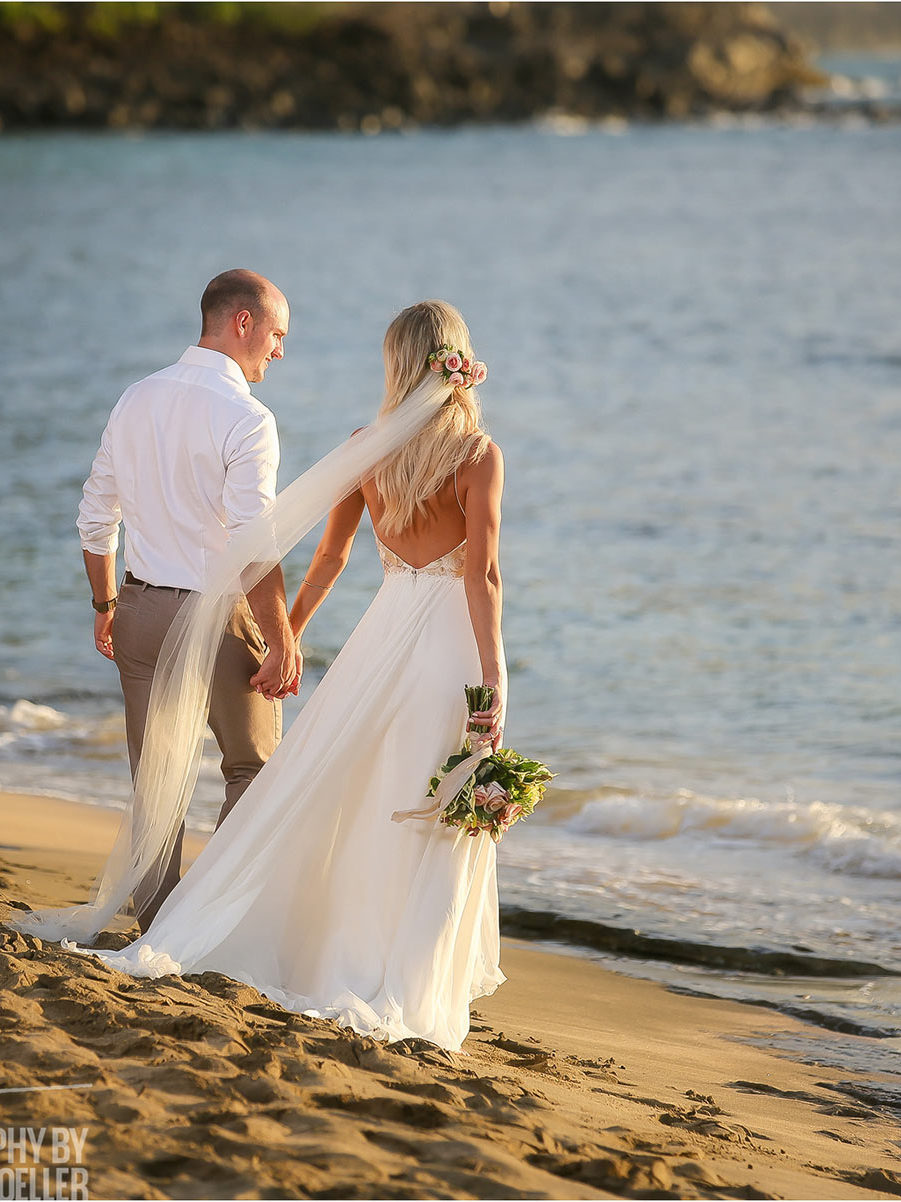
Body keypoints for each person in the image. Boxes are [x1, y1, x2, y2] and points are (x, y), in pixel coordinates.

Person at [63, 300, 507, 1052]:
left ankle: (320, 946)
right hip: (448, 650)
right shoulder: (476, 455)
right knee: (441, 803)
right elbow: (483, 577)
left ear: (397, 364)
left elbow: (330, 557)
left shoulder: (367, 450)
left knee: (363, 797)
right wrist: (491, 682)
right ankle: (411, 975)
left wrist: (291, 633)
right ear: (458, 361)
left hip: (378, 643)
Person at [75, 268, 299, 932]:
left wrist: (106, 605)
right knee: (255, 771)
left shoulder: (135, 397)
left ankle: (158, 924)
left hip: (139, 611)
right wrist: (281, 637)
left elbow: (94, 519)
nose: (279, 352)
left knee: (157, 785)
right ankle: (199, 921)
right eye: (277, 334)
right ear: (242, 323)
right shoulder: (247, 419)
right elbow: (251, 542)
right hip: (216, 617)